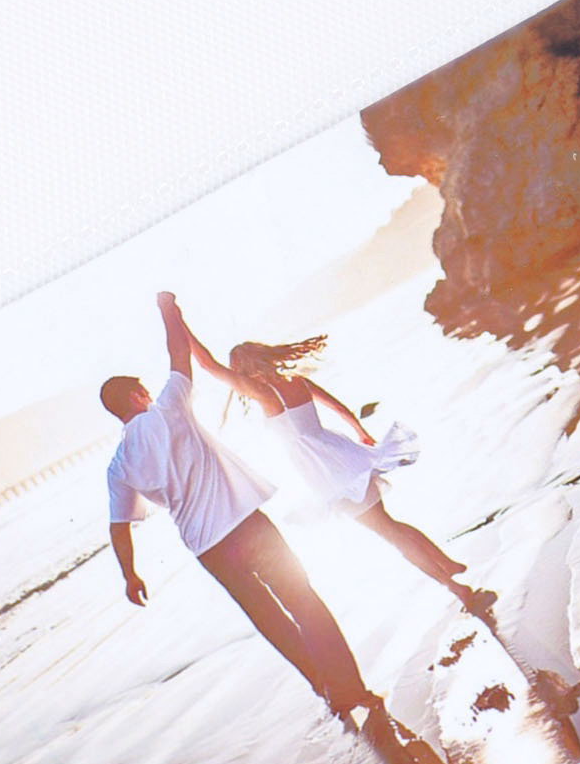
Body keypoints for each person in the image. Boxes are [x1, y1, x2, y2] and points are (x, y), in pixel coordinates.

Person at [101, 293, 383, 732]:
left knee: (270, 620)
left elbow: (120, 527)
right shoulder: (169, 409)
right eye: (144, 391)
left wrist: (130, 575)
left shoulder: (119, 465)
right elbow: (179, 354)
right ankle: (353, 688)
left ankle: (326, 689)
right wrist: (169, 311)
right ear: (139, 395)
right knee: (303, 599)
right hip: (248, 526)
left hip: (209, 549)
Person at [173, 307, 497, 623]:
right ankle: (447, 565)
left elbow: (207, 364)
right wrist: (361, 434)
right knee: (389, 524)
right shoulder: (297, 381)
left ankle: (459, 589)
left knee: (389, 533)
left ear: (243, 369)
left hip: (329, 476)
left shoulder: (261, 391)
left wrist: (178, 322)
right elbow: (340, 408)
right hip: (344, 458)